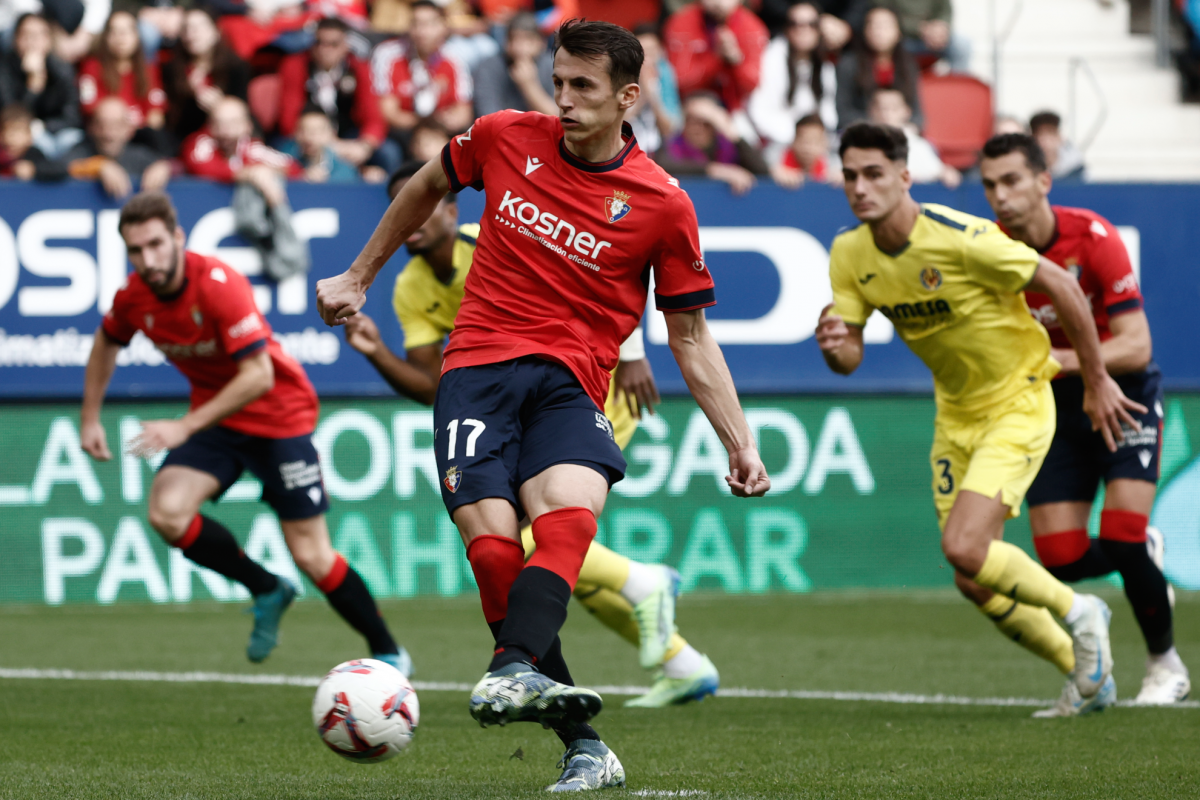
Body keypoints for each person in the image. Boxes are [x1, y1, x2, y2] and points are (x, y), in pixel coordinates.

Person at [316, 20, 770, 791]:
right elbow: (426, 183)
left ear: (628, 97)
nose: (562, 99)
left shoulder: (662, 203)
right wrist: (358, 275)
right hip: (476, 370)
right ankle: (585, 743)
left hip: (569, 381)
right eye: (558, 82)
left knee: (567, 514)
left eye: (582, 87)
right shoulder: (501, 137)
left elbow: (690, 336)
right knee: (494, 550)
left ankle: (514, 667)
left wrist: (740, 439)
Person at [342, 161, 722, 708]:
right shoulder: (411, 286)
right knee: (541, 559)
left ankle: (641, 585)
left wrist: (635, 354)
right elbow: (430, 383)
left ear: (451, 209)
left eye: (424, 204)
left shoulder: (492, 237)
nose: (417, 219)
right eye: (404, 210)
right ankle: (680, 661)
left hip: (589, 389)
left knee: (537, 536)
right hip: (508, 397)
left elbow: (602, 266)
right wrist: (376, 352)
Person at [816, 122, 1144, 718]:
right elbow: (849, 360)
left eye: (873, 174)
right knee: (972, 575)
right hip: (957, 414)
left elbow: (1062, 286)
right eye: (849, 176)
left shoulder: (962, 237)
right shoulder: (848, 254)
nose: (860, 188)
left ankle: (1082, 612)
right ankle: (1086, 674)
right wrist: (834, 343)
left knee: (965, 545)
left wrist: (1096, 379)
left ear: (904, 176)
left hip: (1018, 398)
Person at [79, 191, 413, 676]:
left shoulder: (217, 285)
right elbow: (107, 341)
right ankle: (266, 588)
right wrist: (89, 418)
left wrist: (184, 427)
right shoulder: (134, 298)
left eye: (155, 244)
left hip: (278, 416)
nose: (147, 260)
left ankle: (388, 652)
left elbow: (258, 376)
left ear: (177, 237)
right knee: (167, 513)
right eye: (136, 250)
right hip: (219, 421)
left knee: (312, 555)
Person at [979, 133, 1190, 708]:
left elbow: (1138, 345)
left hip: (1121, 393)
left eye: (1013, 181)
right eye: (991, 185)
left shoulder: (1093, 239)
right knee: (1062, 557)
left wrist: (1064, 361)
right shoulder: (990, 251)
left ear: (1044, 181)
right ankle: (1144, 554)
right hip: (1050, 405)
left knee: (1119, 534)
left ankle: (1164, 666)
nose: (1002, 196)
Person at [277, 16, 390, 173]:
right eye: (319, 43)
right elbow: (289, 120)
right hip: (306, 136)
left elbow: (374, 118)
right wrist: (327, 143)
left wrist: (365, 145)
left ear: (345, 46)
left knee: (389, 153)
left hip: (349, 136)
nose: (325, 50)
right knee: (284, 152)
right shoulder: (296, 66)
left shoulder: (359, 69)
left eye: (333, 44)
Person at [746, 1, 836, 166]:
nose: (803, 30)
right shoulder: (770, 57)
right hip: (776, 143)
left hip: (814, 142)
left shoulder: (824, 63)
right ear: (787, 28)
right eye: (795, 24)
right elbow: (759, 112)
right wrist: (797, 139)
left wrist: (814, 139)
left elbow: (828, 112)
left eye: (811, 24)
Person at [371, 0, 473, 140]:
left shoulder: (455, 57)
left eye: (430, 24)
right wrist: (424, 125)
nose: (422, 31)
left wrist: (446, 122)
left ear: (444, 26)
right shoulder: (388, 54)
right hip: (402, 133)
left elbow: (463, 111)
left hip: (441, 131)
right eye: (415, 23)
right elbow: (388, 112)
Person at [77, 9, 169, 154]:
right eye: (114, 32)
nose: (121, 38)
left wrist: (130, 126)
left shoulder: (148, 70)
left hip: (138, 136)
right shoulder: (92, 67)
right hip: (104, 135)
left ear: (137, 37)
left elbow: (156, 115)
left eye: (127, 31)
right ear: (105, 37)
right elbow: (90, 107)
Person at [182, 96, 301, 206]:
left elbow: (293, 168)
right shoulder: (199, 143)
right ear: (210, 125)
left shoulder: (253, 148)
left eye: (233, 123)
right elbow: (205, 168)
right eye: (219, 123)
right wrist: (250, 173)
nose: (225, 130)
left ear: (248, 126)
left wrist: (267, 172)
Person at [160, 7, 250, 148]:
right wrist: (190, 95)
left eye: (199, 27)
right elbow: (172, 122)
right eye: (186, 28)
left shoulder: (236, 66)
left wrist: (221, 106)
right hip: (184, 138)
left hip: (228, 138)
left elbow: (244, 109)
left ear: (216, 32)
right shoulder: (172, 68)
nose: (192, 34)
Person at [0, 12, 83, 157]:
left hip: (55, 133)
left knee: (72, 140)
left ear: (48, 40)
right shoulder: (5, 69)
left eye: (38, 36)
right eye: (26, 35)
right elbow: (10, 118)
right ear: (15, 40)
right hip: (18, 137)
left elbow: (72, 116)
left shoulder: (62, 70)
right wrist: (32, 88)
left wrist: (42, 127)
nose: (32, 42)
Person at [655, 91, 769, 196]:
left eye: (706, 122)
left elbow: (762, 169)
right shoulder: (673, 145)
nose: (697, 128)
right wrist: (715, 170)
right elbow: (663, 166)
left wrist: (730, 131)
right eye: (691, 120)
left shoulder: (728, 147)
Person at [664, 0, 769, 112]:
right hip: (686, 107)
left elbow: (752, 85)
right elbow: (680, 83)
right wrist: (715, 59)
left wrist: (736, 60)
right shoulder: (681, 23)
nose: (718, 2)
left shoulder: (753, 28)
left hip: (738, 110)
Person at [64, 95, 171, 198]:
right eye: (101, 125)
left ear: (129, 130)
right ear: (91, 128)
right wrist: (99, 166)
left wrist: (162, 168)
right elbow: (60, 168)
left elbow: (167, 165)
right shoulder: (81, 151)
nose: (108, 134)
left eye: (116, 126)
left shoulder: (138, 156)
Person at [835, 5, 921, 128]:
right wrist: (877, 123)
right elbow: (843, 113)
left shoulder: (908, 65)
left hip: (898, 131)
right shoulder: (849, 64)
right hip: (861, 132)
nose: (879, 31)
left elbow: (918, 116)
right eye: (873, 25)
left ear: (899, 32)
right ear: (864, 31)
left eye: (886, 26)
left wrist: (902, 124)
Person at [470, 12, 557, 118]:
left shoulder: (553, 65)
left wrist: (529, 85)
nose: (519, 47)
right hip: (503, 131)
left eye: (527, 39)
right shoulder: (489, 67)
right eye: (513, 39)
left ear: (541, 42)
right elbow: (488, 117)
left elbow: (557, 117)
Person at [867, 87, 958, 187]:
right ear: (871, 111)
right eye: (882, 108)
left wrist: (946, 173)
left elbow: (939, 172)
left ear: (906, 111)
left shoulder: (919, 145)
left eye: (893, 108)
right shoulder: (859, 144)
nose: (886, 114)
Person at [626, 23, 681, 157]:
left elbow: (669, 129)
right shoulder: (622, 78)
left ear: (661, 52)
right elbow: (619, 125)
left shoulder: (665, 75)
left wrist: (652, 96)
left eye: (650, 52)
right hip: (626, 147)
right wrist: (643, 92)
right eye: (641, 53)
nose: (646, 59)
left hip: (657, 151)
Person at [279, 107, 362, 183]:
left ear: (331, 134)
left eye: (316, 132)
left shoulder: (344, 168)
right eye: (303, 130)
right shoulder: (286, 158)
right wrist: (302, 178)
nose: (309, 138)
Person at [770, 112, 839, 188]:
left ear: (824, 145)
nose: (808, 149)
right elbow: (772, 169)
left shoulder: (830, 166)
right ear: (794, 142)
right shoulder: (779, 159)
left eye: (815, 142)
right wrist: (777, 174)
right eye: (803, 141)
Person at [1030, 111, 1085, 184]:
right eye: (1041, 135)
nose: (1046, 142)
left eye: (1051, 133)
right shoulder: (1025, 168)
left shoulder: (1076, 168)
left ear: (1060, 137)